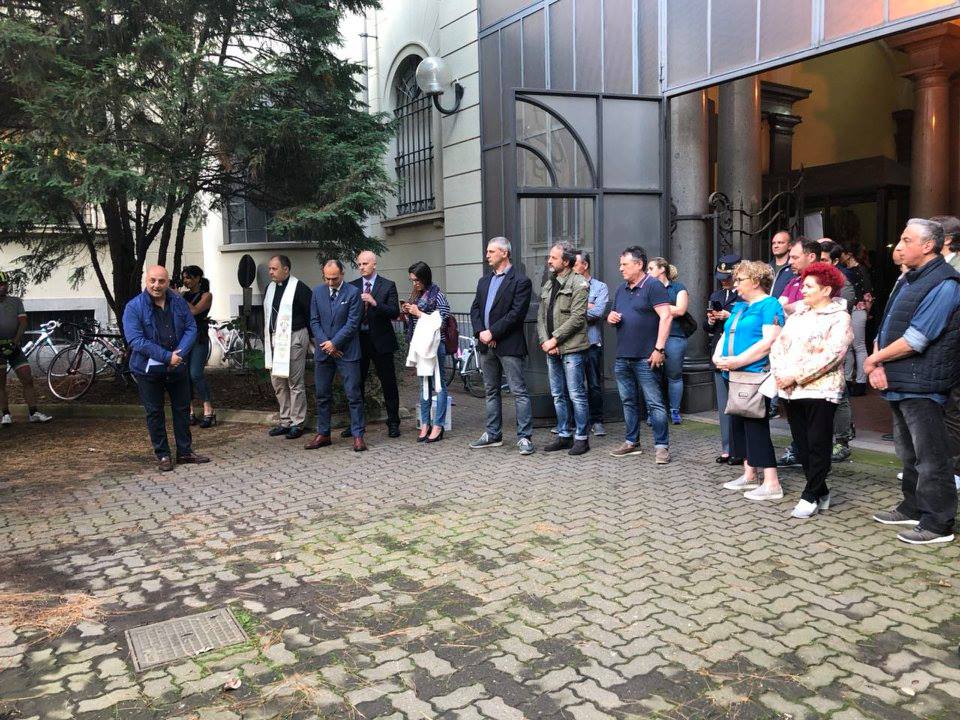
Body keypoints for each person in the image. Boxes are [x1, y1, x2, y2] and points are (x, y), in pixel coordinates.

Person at [867, 219, 960, 545]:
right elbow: (887, 325)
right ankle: (913, 506)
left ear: (929, 246)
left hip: (924, 383)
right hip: (902, 380)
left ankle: (938, 523)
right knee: (908, 453)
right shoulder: (909, 278)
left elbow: (917, 338)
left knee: (931, 457)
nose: (900, 246)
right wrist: (877, 359)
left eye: (907, 240)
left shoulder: (945, 283)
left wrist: (875, 360)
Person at [770, 262, 852, 519]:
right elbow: (779, 345)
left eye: (808, 286)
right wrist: (780, 373)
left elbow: (833, 355)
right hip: (791, 390)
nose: (802, 290)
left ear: (826, 290)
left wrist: (795, 375)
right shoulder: (798, 315)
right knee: (802, 444)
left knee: (818, 444)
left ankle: (809, 494)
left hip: (821, 390)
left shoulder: (840, 317)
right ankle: (821, 490)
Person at [123, 265, 209, 471]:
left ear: (168, 282)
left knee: (182, 409)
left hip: (177, 366)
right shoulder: (134, 307)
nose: (157, 285)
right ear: (146, 281)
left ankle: (184, 452)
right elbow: (136, 340)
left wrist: (179, 354)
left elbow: (191, 327)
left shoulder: (178, 301)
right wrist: (166, 357)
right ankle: (163, 455)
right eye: (152, 280)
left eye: (161, 281)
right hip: (148, 370)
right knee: (154, 412)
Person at [714, 260, 784, 500]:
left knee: (756, 426)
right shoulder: (740, 306)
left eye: (740, 279)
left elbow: (769, 342)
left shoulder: (770, 304)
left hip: (754, 375)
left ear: (755, 281)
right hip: (733, 373)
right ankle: (749, 474)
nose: (735, 284)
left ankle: (772, 482)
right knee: (739, 424)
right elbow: (726, 334)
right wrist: (718, 357)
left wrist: (738, 360)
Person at [469, 237, 535, 455]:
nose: (487, 255)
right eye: (487, 251)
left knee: (518, 391)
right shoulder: (483, 281)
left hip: (509, 345)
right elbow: (475, 310)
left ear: (504, 253)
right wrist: (481, 333)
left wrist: (493, 332)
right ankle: (493, 434)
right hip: (486, 345)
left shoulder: (521, 281)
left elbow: (516, 314)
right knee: (490, 391)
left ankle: (524, 437)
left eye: (491, 251)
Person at [607, 245, 672, 464]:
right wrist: (611, 318)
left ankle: (661, 447)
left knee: (655, 403)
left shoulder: (653, 286)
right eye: (621, 264)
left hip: (647, 357)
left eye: (624, 264)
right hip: (623, 356)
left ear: (639, 264)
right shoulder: (621, 289)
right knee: (628, 401)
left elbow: (666, 316)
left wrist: (659, 349)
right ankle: (631, 442)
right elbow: (615, 314)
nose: (620, 268)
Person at [537, 243, 591, 456]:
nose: (549, 261)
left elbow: (578, 318)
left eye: (553, 257)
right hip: (551, 348)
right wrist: (546, 341)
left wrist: (555, 340)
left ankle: (582, 439)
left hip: (572, 349)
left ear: (566, 262)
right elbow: (541, 316)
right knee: (558, 395)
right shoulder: (549, 283)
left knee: (576, 394)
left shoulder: (579, 283)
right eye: (549, 257)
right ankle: (564, 435)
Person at [306, 259, 366, 451]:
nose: (330, 282)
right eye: (327, 278)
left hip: (347, 351)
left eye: (334, 278)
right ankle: (323, 433)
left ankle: (358, 435)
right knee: (322, 394)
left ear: (342, 274)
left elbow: (353, 323)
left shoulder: (353, 293)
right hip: (324, 352)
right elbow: (314, 321)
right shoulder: (317, 292)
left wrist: (335, 343)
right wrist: (327, 344)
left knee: (353, 395)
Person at [776, 238, 822, 468]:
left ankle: (816, 470)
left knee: (815, 424)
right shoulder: (793, 279)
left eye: (795, 257)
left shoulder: (824, 280)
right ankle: (802, 456)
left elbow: (803, 307)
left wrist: (791, 307)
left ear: (810, 256)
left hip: (813, 363)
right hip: (790, 359)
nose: (790, 261)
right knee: (796, 420)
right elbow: (780, 305)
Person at [345, 251, 401, 439]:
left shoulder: (388, 285)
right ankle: (355, 424)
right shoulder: (352, 286)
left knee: (388, 383)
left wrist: (375, 302)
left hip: (381, 341)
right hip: (359, 340)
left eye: (365, 264)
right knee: (356, 383)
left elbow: (394, 312)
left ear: (374, 264)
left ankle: (393, 422)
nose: (361, 267)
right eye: (359, 264)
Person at [263, 255, 312, 440]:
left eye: (274, 269)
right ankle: (285, 420)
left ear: (286, 269)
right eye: (270, 269)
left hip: (294, 337)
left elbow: (310, 314)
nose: (270, 272)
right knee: (278, 382)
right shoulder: (270, 288)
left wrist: (312, 339)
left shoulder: (299, 288)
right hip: (274, 339)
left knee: (294, 382)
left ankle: (298, 422)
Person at [402, 261, 450, 444]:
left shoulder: (438, 295)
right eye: (412, 280)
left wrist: (418, 313)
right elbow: (415, 322)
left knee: (438, 384)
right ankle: (425, 424)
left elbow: (442, 321)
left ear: (425, 277)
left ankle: (438, 425)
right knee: (423, 385)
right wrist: (408, 312)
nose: (414, 283)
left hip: (435, 345)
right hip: (420, 345)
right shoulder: (416, 294)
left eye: (417, 280)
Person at [819, 239, 857, 462]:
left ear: (834, 261)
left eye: (824, 260)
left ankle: (842, 440)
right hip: (815, 345)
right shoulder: (814, 281)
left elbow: (842, 310)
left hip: (835, 343)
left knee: (839, 393)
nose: (819, 263)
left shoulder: (844, 283)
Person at [0, 272, 53, 427]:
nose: (3, 287)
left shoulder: (16, 302)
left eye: (4, 284)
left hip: (14, 346)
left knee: (27, 378)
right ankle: (5, 414)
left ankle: (33, 413)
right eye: (0, 284)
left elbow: (23, 322)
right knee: (1, 383)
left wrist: (15, 341)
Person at [704, 253, 741, 465]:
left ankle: (740, 449)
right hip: (720, 354)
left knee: (741, 404)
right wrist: (711, 320)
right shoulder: (717, 295)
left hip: (739, 355)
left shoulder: (745, 296)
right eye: (721, 277)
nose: (724, 281)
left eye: (728, 277)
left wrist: (730, 316)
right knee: (724, 405)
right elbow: (707, 328)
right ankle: (727, 448)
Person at [648, 257, 688, 425]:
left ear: (662, 269)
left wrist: (658, 306)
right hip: (651, 337)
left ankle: (674, 411)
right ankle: (653, 412)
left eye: (651, 268)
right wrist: (667, 308)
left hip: (675, 336)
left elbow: (681, 310)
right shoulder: (647, 287)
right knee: (651, 376)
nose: (648, 272)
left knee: (674, 375)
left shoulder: (678, 288)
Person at [574, 251, 609, 436]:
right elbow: (563, 312)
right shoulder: (569, 285)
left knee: (594, 384)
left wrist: (576, 308)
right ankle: (577, 423)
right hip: (572, 344)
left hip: (592, 343)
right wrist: (587, 305)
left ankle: (597, 421)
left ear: (585, 265)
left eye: (575, 264)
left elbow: (598, 313)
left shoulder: (600, 287)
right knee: (574, 386)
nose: (571, 267)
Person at [180, 266, 216, 428]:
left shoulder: (206, 295)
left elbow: (194, 311)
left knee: (195, 373)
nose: (185, 281)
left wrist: (179, 297)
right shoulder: (183, 295)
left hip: (199, 338)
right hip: (184, 338)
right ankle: (190, 411)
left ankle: (208, 409)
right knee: (185, 375)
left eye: (188, 277)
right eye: (184, 278)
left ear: (197, 278)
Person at [839, 240, 874, 396]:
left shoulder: (861, 270)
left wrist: (866, 310)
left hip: (858, 309)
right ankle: (848, 380)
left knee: (858, 345)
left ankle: (861, 382)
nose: (840, 257)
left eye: (842, 254)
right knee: (848, 346)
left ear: (848, 255)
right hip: (851, 309)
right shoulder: (849, 270)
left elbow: (868, 294)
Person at [769, 230, 795, 299]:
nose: (775, 246)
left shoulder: (794, 268)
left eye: (780, 243)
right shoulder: (766, 268)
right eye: (773, 243)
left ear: (790, 246)